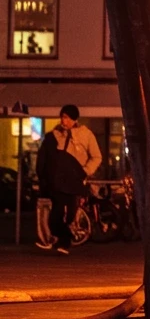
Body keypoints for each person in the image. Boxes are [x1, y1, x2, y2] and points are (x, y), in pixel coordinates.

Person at [35, 105, 102, 254]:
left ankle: (64, 240)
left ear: (74, 119)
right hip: (57, 181)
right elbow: (45, 158)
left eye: (67, 117)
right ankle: (64, 239)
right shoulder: (55, 135)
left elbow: (96, 156)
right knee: (56, 215)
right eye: (62, 117)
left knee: (70, 214)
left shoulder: (86, 135)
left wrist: (85, 171)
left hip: (75, 181)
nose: (63, 121)